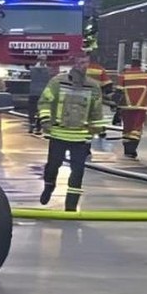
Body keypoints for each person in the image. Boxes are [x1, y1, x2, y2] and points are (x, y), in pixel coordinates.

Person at [37, 59, 106, 212]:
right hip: (58, 134)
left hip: (81, 138)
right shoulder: (57, 82)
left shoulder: (93, 87)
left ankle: (71, 206)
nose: (83, 66)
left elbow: (96, 111)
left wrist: (97, 128)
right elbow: (45, 102)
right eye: (80, 63)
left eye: (85, 63)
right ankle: (49, 186)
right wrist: (46, 120)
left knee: (78, 173)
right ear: (73, 64)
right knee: (52, 167)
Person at [117, 58, 147, 159]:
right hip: (141, 106)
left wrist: (116, 106)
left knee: (127, 129)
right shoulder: (146, 75)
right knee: (136, 128)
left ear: (131, 65)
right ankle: (132, 149)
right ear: (140, 65)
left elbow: (118, 91)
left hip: (126, 106)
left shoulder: (123, 75)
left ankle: (127, 149)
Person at [26, 55, 52, 136]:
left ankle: (32, 126)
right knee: (41, 110)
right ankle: (38, 127)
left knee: (33, 110)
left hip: (34, 92)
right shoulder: (48, 70)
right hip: (42, 93)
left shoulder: (32, 69)